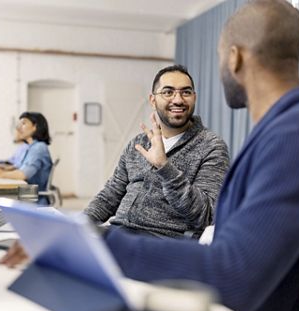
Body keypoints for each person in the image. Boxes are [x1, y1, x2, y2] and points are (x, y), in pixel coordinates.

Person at [0, 1, 299, 311]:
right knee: (39, 285)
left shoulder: (297, 137)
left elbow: (234, 276)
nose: (179, 99)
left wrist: (100, 244)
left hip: (215, 302)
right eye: (169, 92)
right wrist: (76, 235)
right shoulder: (285, 133)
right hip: (189, 282)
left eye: (220, 59)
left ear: (234, 58)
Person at [85, 65, 229, 238]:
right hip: (119, 232)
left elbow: (205, 215)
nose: (178, 100)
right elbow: (110, 195)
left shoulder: (211, 146)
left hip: (161, 240)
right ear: (153, 100)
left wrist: (164, 167)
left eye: (186, 92)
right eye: (168, 92)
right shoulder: (138, 143)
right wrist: (78, 224)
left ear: (194, 97)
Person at [0, 112, 53, 205]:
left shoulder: (38, 148)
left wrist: (1, 174)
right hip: (28, 192)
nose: (18, 127)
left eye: (24, 123)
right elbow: (20, 167)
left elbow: (23, 175)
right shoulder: (31, 147)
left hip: (33, 197)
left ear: (35, 127)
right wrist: (5, 170)